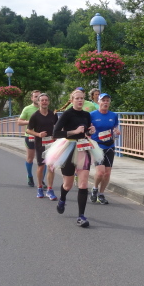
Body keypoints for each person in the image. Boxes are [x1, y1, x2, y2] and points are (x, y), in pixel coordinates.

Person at [52, 89, 96, 227]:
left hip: (83, 148)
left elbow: (86, 131)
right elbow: (56, 133)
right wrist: (74, 132)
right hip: (69, 148)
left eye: (82, 98)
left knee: (83, 184)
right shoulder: (67, 114)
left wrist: (90, 131)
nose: (80, 100)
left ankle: (81, 216)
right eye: (77, 98)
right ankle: (62, 198)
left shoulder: (87, 114)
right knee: (68, 184)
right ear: (71, 100)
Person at [27, 93, 59, 200]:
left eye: (46, 100)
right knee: (41, 167)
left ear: (48, 102)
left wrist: (56, 135)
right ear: (38, 102)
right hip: (40, 144)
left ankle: (50, 189)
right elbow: (28, 130)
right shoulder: (35, 116)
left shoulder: (53, 114)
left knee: (51, 167)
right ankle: (39, 187)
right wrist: (38, 134)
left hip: (52, 144)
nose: (44, 102)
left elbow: (58, 127)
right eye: (42, 100)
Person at [89, 93, 120, 205]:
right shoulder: (92, 115)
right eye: (103, 100)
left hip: (109, 146)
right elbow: (87, 130)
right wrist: (90, 131)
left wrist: (117, 133)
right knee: (100, 172)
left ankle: (101, 194)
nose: (105, 103)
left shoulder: (113, 115)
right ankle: (95, 188)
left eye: (107, 101)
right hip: (97, 146)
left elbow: (115, 130)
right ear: (99, 102)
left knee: (107, 173)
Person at [17, 90, 41, 187]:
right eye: (35, 96)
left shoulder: (45, 108)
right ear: (32, 98)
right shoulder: (27, 109)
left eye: (39, 96)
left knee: (42, 160)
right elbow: (19, 122)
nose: (38, 98)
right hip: (30, 136)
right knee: (30, 158)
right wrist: (30, 121)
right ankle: (30, 176)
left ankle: (41, 180)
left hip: (42, 137)